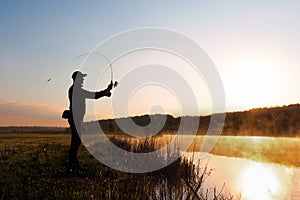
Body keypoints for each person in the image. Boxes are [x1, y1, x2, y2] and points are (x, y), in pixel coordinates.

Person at [67, 71, 113, 172]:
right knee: (76, 141)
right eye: (81, 78)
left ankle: (73, 164)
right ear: (77, 79)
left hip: (76, 119)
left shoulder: (75, 89)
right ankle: (72, 165)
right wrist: (106, 91)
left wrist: (105, 93)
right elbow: (93, 95)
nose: (83, 79)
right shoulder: (76, 90)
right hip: (75, 119)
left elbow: (93, 95)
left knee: (76, 141)